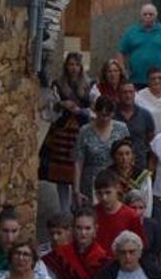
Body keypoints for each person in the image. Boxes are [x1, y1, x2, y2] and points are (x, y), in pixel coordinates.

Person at [39, 52, 93, 214]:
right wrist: (61, 104)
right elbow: (48, 109)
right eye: (71, 64)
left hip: (81, 131)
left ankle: (78, 206)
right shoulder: (58, 85)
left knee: (79, 169)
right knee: (61, 173)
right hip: (62, 132)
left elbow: (94, 111)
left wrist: (79, 110)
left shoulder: (89, 85)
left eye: (76, 65)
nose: (73, 68)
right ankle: (63, 209)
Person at [73, 96, 130, 205]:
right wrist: (76, 190)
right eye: (101, 115)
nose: (104, 119)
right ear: (96, 112)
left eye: (108, 115)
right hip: (90, 180)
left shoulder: (121, 129)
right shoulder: (85, 131)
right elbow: (78, 161)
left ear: (113, 114)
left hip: (115, 178)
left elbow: (128, 153)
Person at [118, 2, 161, 87]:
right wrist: (123, 72)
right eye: (145, 14)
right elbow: (121, 52)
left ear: (156, 16)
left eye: (151, 14)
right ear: (141, 16)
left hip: (159, 80)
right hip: (136, 80)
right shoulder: (131, 32)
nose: (148, 16)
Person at [91, 167, 146, 252]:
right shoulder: (91, 214)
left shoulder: (131, 216)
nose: (104, 198)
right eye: (99, 194)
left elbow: (140, 245)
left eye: (108, 192)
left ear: (117, 189)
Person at [113, 82, 156, 174]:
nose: (128, 95)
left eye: (130, 92)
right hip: (116, 167)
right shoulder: (112, 115)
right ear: (118, 94)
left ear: (135, 93)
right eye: (124, 92)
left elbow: (150, 140)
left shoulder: (145, 115)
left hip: (140, 164)